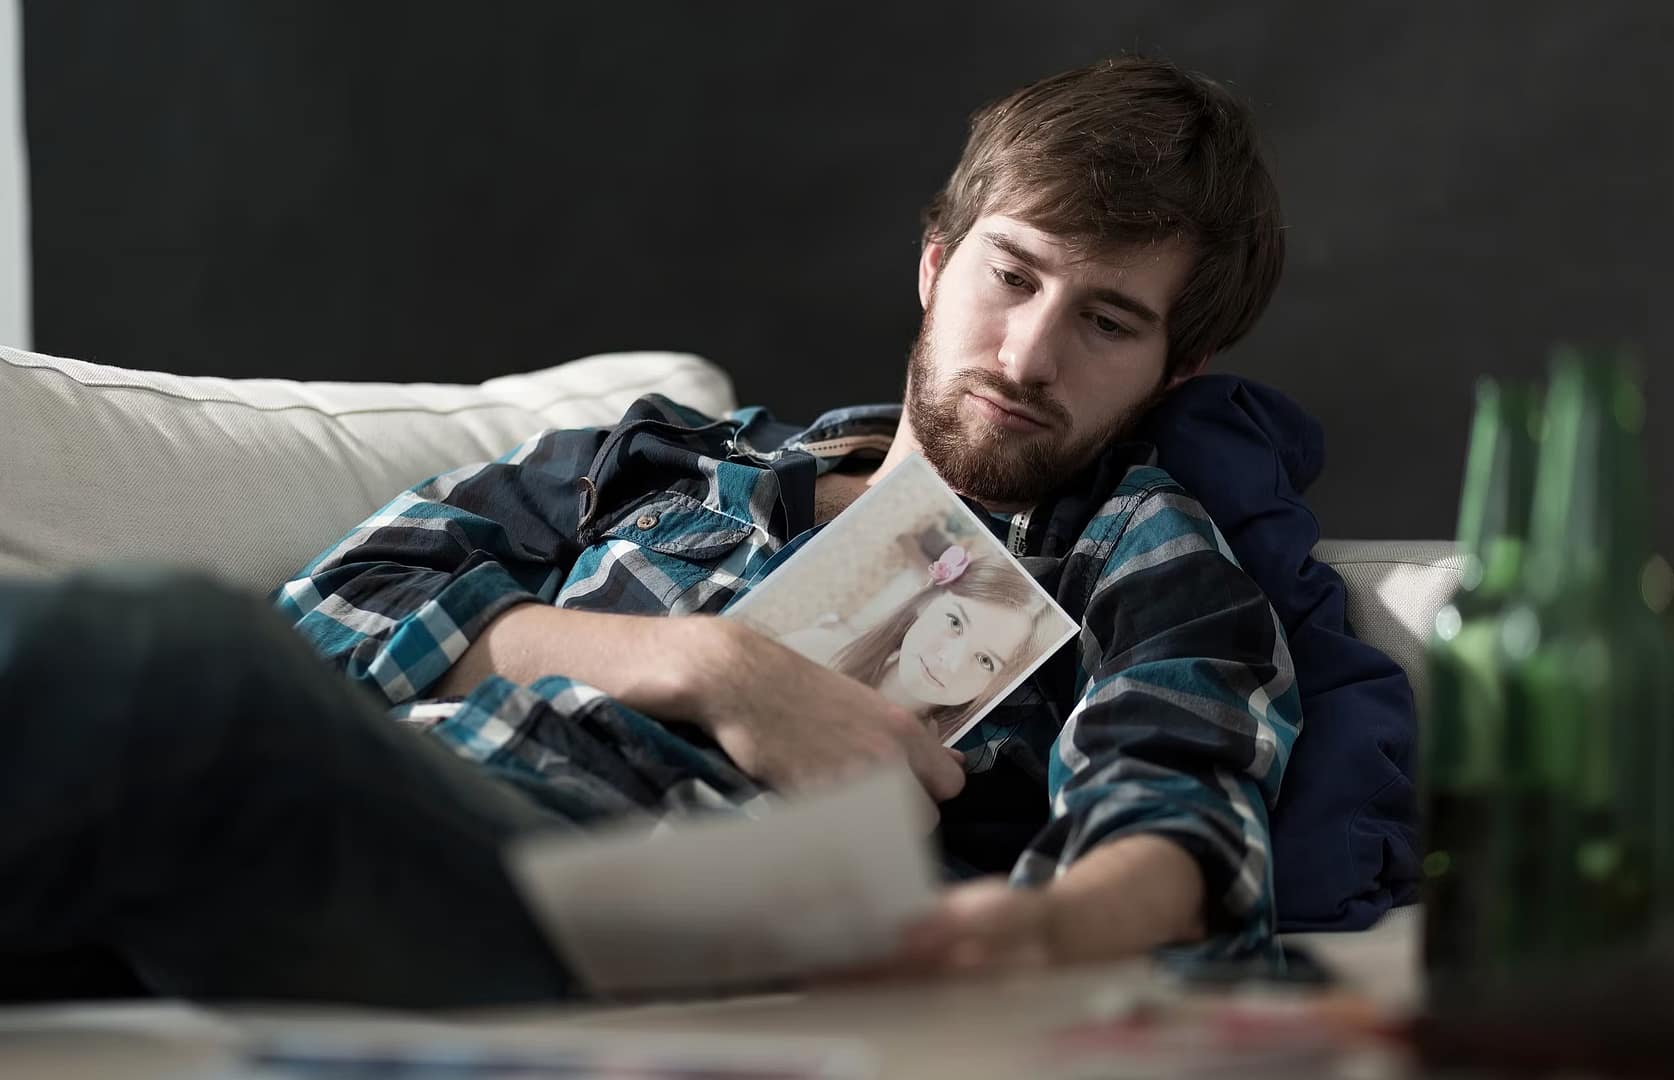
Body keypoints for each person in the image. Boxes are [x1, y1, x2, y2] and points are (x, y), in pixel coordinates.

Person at [0, 54, 1298, 1005]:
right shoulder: (657, 456)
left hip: (606, 907)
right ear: (934, 261)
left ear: (1168, 373)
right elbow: (334, 614)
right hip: (370, 817)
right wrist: (701, 665)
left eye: (1106, 322)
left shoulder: (1132, 550)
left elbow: (1179, 818)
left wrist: (1029, 936)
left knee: (171, 658)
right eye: (1010, 277)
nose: (1027, 352)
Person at [778, 546, 1051, 742]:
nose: (951, 661)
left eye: (985, 661)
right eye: (955, 623)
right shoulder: (816, 648)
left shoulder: (933, 758)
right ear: (928, 600)